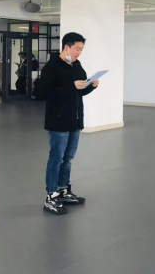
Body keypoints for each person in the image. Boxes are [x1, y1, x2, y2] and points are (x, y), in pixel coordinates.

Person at [40, 33, 100, 215]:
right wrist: (72, 86)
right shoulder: (51, 67)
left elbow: (79, 92)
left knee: (68, 158)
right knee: (56, 159)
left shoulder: (77, 65)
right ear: (67, 47)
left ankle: (63, 190)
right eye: (77, 49)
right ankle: (51, 196)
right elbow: (44, 93)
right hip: (58, 121)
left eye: (81, 49)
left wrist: (91, 86)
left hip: (75, 120)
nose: (79, 53)